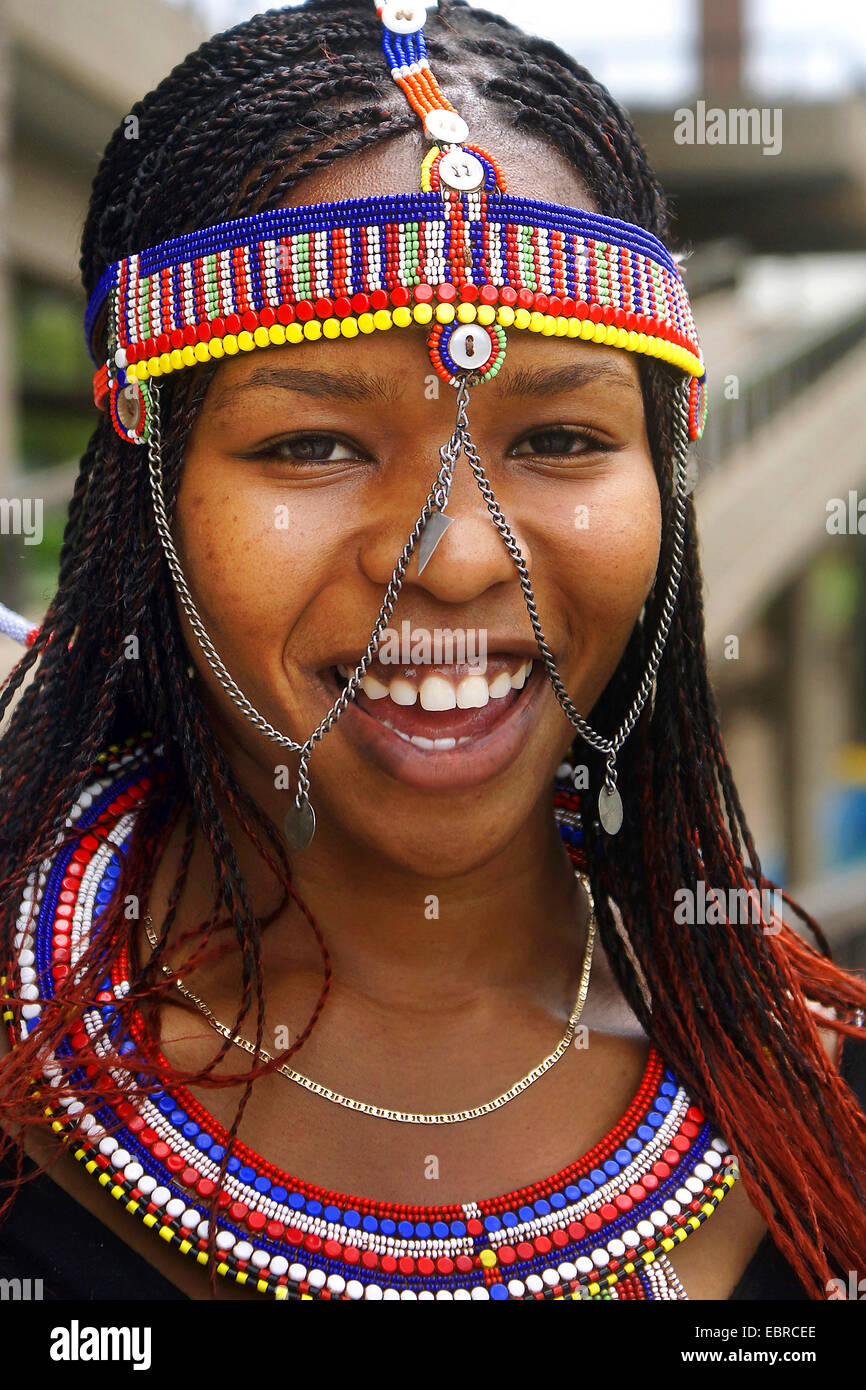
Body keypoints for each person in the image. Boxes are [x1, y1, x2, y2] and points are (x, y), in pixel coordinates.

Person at [0, 0, 864, 1304]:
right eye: (312, 444)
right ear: (148, 486)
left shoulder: (816, 1107)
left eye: (559, 439)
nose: (456, 558)